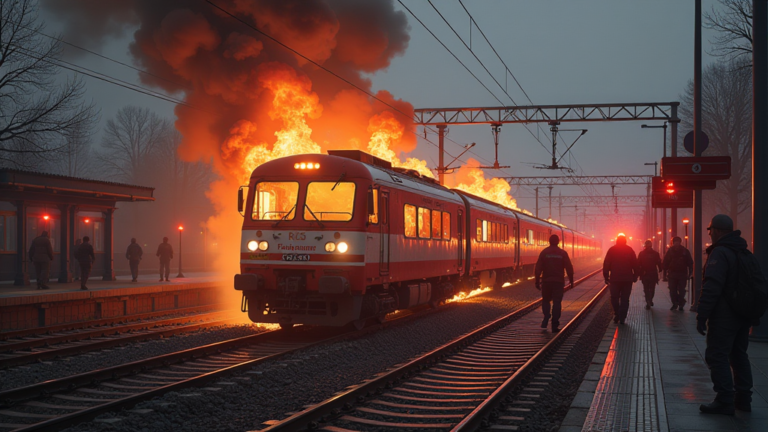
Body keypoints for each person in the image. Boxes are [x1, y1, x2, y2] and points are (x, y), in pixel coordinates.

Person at [696, 214, 754, 415]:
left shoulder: (720, 253)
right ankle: (743, 400)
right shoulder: (743, 251)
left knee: (717, 355)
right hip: (742, 314)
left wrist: (702, 315)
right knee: (739, 355)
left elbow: (712, 286)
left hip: (724, 315)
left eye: (710, 230)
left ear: (718, 231)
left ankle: (724, 400)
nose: (710, 234)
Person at [534, 234, 575, 333]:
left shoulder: (544, 253)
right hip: (558, 282)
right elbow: (569, 268)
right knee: (557, 302)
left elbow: (538, 268)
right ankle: (554, 324)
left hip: (546, 282)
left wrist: (536, 280)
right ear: (558, 242)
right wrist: (571, 280)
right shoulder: (562, 253)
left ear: (549, 241)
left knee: (546, 300)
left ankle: (546, 317)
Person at [602, 235, 640, 325]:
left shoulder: (612, 250)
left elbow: (606, 263)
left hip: (615, 279)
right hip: (627, 279)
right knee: (625, 299)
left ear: (616, 241)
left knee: (614, 298)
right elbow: (635, 264)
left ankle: (617, 313)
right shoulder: (630, 250)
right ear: (625, 241)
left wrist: (606, 276)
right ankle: (622, 317)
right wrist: (635, 276)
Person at [663, 236, 694, 311]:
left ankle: (680, 303)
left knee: (681, 290)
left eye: (677, 241)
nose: (676, 243)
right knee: (673, 290)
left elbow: (690, 262)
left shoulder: (684, 251)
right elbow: (665, 262)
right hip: (673, 274)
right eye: (675, 241)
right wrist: (664, 271)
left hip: (681, 274)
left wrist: (690, 272)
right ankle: (676, 303)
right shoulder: (671, 251)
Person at [637, 240, 662, 310]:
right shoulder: (655, 253)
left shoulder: (641, 254)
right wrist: (660, 269)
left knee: (646, 289)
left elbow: (638, 264)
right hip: (653, 274)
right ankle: (650, 300)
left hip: (645, 274)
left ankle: (648, 300)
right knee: (652, 288)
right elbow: (659, 263)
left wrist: (638, 273)